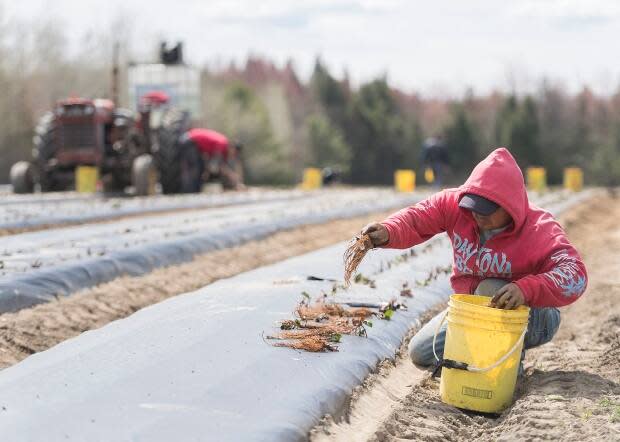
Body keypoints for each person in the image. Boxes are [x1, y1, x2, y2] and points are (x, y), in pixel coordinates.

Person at [361, 147, 587, 370]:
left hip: (532, 317)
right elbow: (417, 217)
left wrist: (526, 289)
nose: (477, 215)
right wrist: (389, 230)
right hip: (474, 313)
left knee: (489, 288)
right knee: (421, 352)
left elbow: (575, 274)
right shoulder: (456, 206)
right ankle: (479, 355)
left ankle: (503, 368)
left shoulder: (539, 228)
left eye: (486, 210)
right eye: (473, 207)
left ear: (511, 206)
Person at [181, 128, 245, 190]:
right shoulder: (222, 143)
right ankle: (190, 190)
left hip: (193, 142)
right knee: (196, 169)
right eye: (234, 153)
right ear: (232, 147)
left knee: (201, 168)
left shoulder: (224, 151)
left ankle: (194, 189)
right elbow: (217, 164)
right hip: (190, 139)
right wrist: (232, 176)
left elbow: (212, 162)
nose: (233, 156)